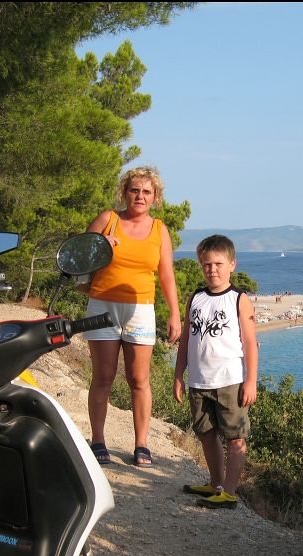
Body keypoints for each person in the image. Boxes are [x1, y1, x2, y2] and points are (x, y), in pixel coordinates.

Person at [83, 167, 180, 467]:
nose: (140, 196)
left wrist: (175, 313)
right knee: (103, 377)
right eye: (134, 190)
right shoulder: (107, 219)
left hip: (141, 309)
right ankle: (98, 440)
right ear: (124, 193)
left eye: (146, 192)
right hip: (103, 306)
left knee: (139, 379)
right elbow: (77, 256)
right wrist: (99, 246)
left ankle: (141, 444)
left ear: (155, 197)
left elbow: (166, 274)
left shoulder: (159, 229)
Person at [173, 235, 258, 509]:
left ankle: (229, 493)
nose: (212, 269)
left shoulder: (239, 299)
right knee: (205, 434)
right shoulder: (195, 298)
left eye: (219, 264)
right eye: (207, 264)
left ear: (232, 264)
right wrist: (178, 375)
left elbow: (250, 343)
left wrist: (251, 381)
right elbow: (186, 340)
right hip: (199, 380)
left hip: (231, 380)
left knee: (235, 436)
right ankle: (215, 483)